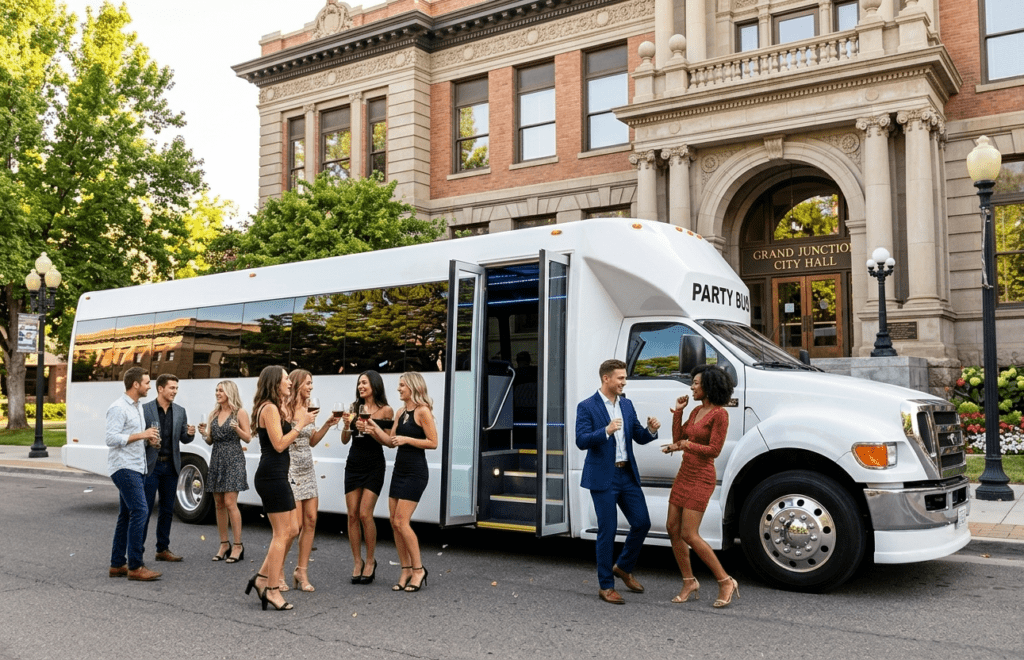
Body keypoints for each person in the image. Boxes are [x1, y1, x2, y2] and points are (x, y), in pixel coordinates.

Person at [575, 359, 660, 605]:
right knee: (608, 530)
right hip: (603, 477)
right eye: (620, 378)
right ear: (606, 379)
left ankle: (623, 567)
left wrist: (650, 430)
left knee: (642, 523)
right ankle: (606, 586)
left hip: (626, 475)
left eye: (625, 378)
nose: (624, 382)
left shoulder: (627, 404)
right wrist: (606, 431)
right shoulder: (587, 406)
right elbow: (581, 440)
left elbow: (639, 437)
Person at [661, 364, 739, 608]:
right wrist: (678, 414)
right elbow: (678, 440)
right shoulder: (695, 410)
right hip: (684, 474)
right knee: (672, 528)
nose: (692, 387)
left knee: (689, 534)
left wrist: (686, 445)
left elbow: (713, 450)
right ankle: (689, 581)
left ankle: (725, 581)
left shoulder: (720, 415)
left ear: (709, 386)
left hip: (701, 477)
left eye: (695, 382)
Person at [245, 365, 314, 611]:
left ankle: (262, 578)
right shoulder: (269, 408)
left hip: (277, 475)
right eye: (286, 379)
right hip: (271, 477)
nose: (290, 382)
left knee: (293, 529)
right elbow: (279, 444)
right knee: (281, 534)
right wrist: (300, 424)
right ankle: (272, 590)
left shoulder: (275, 406)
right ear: (275, 382)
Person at [365, 371, 437, 592]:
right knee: (394, 523)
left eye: (402, 385)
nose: (398, 389)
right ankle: (405, 569)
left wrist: (408, 439)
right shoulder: (400, 412)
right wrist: (373, 427)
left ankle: (418, 570)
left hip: (416, 472)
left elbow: (433, 442)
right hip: (400, 470)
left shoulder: (422, 412)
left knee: (402, 521)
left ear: (413, 387)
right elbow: (390, 441)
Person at [281, 369, 339, 592]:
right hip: (291, 468)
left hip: (308, 467)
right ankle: (277, 573)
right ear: (297, 384)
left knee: (312, 520)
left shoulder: (308, 408)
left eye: (312, 383)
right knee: (293, 527)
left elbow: (312, 441)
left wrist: (326, 424)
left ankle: (301, 571)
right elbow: (283, 440)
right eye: (308, 383)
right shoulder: (285, 409)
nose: (311, 387)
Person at [106, 367, 162, 581]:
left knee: (126, 515)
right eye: (147, 383)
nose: (150, 386)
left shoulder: (137, 407)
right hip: (123, 467)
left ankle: (117, 564)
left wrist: (149, 440)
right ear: (135, 384)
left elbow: (132, 437)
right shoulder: (118, 408)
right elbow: (111, 438)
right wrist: (142, 434)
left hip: (137, 466)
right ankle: (136, 566)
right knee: (140, 511)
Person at [341, 371, 394, 585]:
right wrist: (347, 424)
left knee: (365, 514)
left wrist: (370, 429)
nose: (361, 386)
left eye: (364, 382)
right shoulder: (354, 409)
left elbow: (389, 441)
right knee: (352, 515)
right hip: (353, 464)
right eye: (359, 383)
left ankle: (370, 561)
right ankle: (357, 561)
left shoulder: (386, 410)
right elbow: (345, 440)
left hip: (374, 465)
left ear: (374, 384)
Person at [141, 373, 196, 563]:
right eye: (172, 388)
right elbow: (139, 436)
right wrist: (148, 439)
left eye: (176, 388)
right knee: (145, 509)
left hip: (170, 466)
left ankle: (162, 549)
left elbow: (183, 438)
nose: (175, 392)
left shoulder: (180, 411)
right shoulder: (145, 409)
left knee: (166, 509)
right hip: (151, 466)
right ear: (160, 388)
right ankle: (137, 551)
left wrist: (189, 434)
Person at [199, 380, 252, 563]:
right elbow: (211, 440)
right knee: (218, 503)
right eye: (216, 390)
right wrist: (204, 434)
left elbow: (248, 438)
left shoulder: (240, 413)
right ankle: (224, 544)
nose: (217, 393)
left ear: (230, 392)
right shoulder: (214, 413)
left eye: (220, 390)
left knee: (230, 502)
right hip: (217, 458)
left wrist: (237, 428)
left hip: (234, 459)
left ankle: (238, 545)